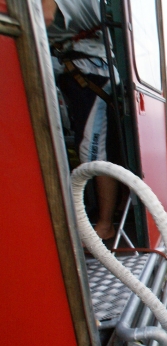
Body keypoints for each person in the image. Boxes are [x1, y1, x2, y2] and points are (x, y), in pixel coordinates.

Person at [43, 0, 119, 240]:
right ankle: (98, 215)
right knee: (84, 146)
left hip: (90, 71)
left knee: (91, 151)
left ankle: (105, 225)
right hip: (79, 66)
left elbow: (41, 16)